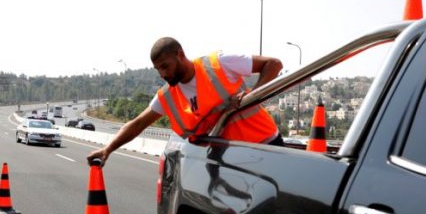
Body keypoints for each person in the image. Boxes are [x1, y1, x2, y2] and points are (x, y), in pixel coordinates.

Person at [87, 37, 283, 166]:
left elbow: (273, 64)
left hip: (266, 145)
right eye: (158, 69)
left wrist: (253, 94)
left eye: (165, 66)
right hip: (228, 161)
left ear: (180, 54)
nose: (163, 74)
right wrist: (108, 149)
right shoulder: (168, 96)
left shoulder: (219, 63)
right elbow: (138, 123)